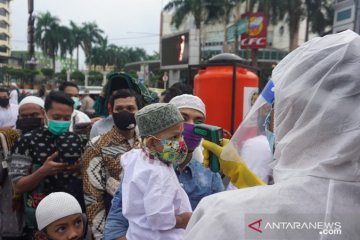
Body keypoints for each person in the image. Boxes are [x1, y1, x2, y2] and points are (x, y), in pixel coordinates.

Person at [184, 30, 360, 239]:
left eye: (276, 105)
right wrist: (241, 173)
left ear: (295, 108)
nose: (269, 119)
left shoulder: (223, 217)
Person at [103, 95, 224, 240]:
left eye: (199, 121)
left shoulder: (209, 171)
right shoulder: (148, 169)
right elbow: (116, 222)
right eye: (184, 118)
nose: (190, 126)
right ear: (152, 142)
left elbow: (220, 217)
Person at [9, 91, 86, 238]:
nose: (61, 121)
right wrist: (43, 171)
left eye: (66, 118)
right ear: (45, 114)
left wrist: (79, 168)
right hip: (40, 220)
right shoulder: (26, 141)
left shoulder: (79, 140)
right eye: (56, 117)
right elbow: (18, 185)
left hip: (74, 216)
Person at [121, 103, 192, 240]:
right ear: (152, 143)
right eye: (174, 137)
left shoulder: (137, 156)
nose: (181, 142)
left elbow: (125, 158)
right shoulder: (159, 174)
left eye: (181, 135)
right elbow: (159, 218)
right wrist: (183, 220)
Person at [82, 89, 142, 240]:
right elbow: (93, 196)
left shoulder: (149, 143)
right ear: (112, 111)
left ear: (138, 111)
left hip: (146, 226)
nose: (124, 112)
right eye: (119, 109)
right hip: (115, 228)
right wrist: (102, 236)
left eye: (130, 108)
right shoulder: (97, 145)